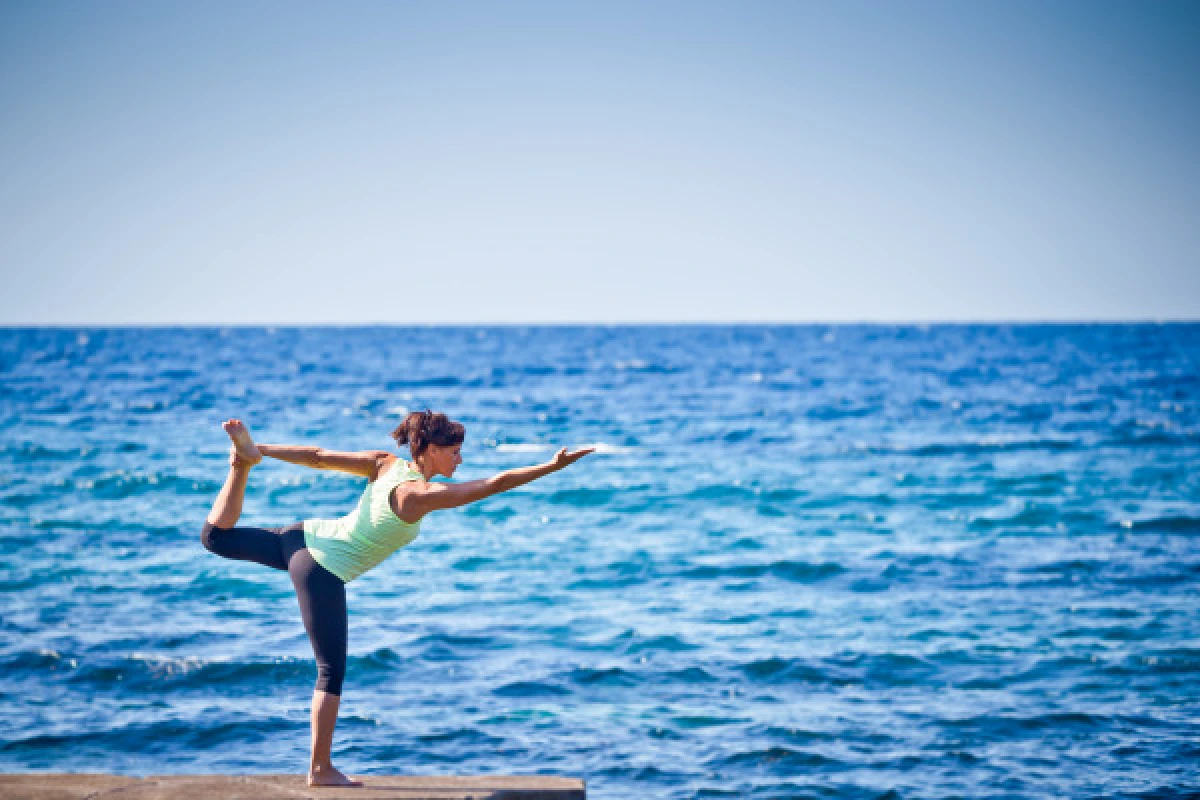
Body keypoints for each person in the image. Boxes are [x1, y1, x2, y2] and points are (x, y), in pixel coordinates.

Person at [200, 410, 594, 787]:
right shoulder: (417, 495)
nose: (460, 459)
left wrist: (260, 450)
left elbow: (317, 458)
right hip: (321, 567)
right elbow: (493, 485)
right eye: (454, 452)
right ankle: (319, 769)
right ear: (431, 451)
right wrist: (550, 467)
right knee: (330, 671)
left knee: (216, 538)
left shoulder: (385, 463)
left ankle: (242, 465)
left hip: (302, 536)